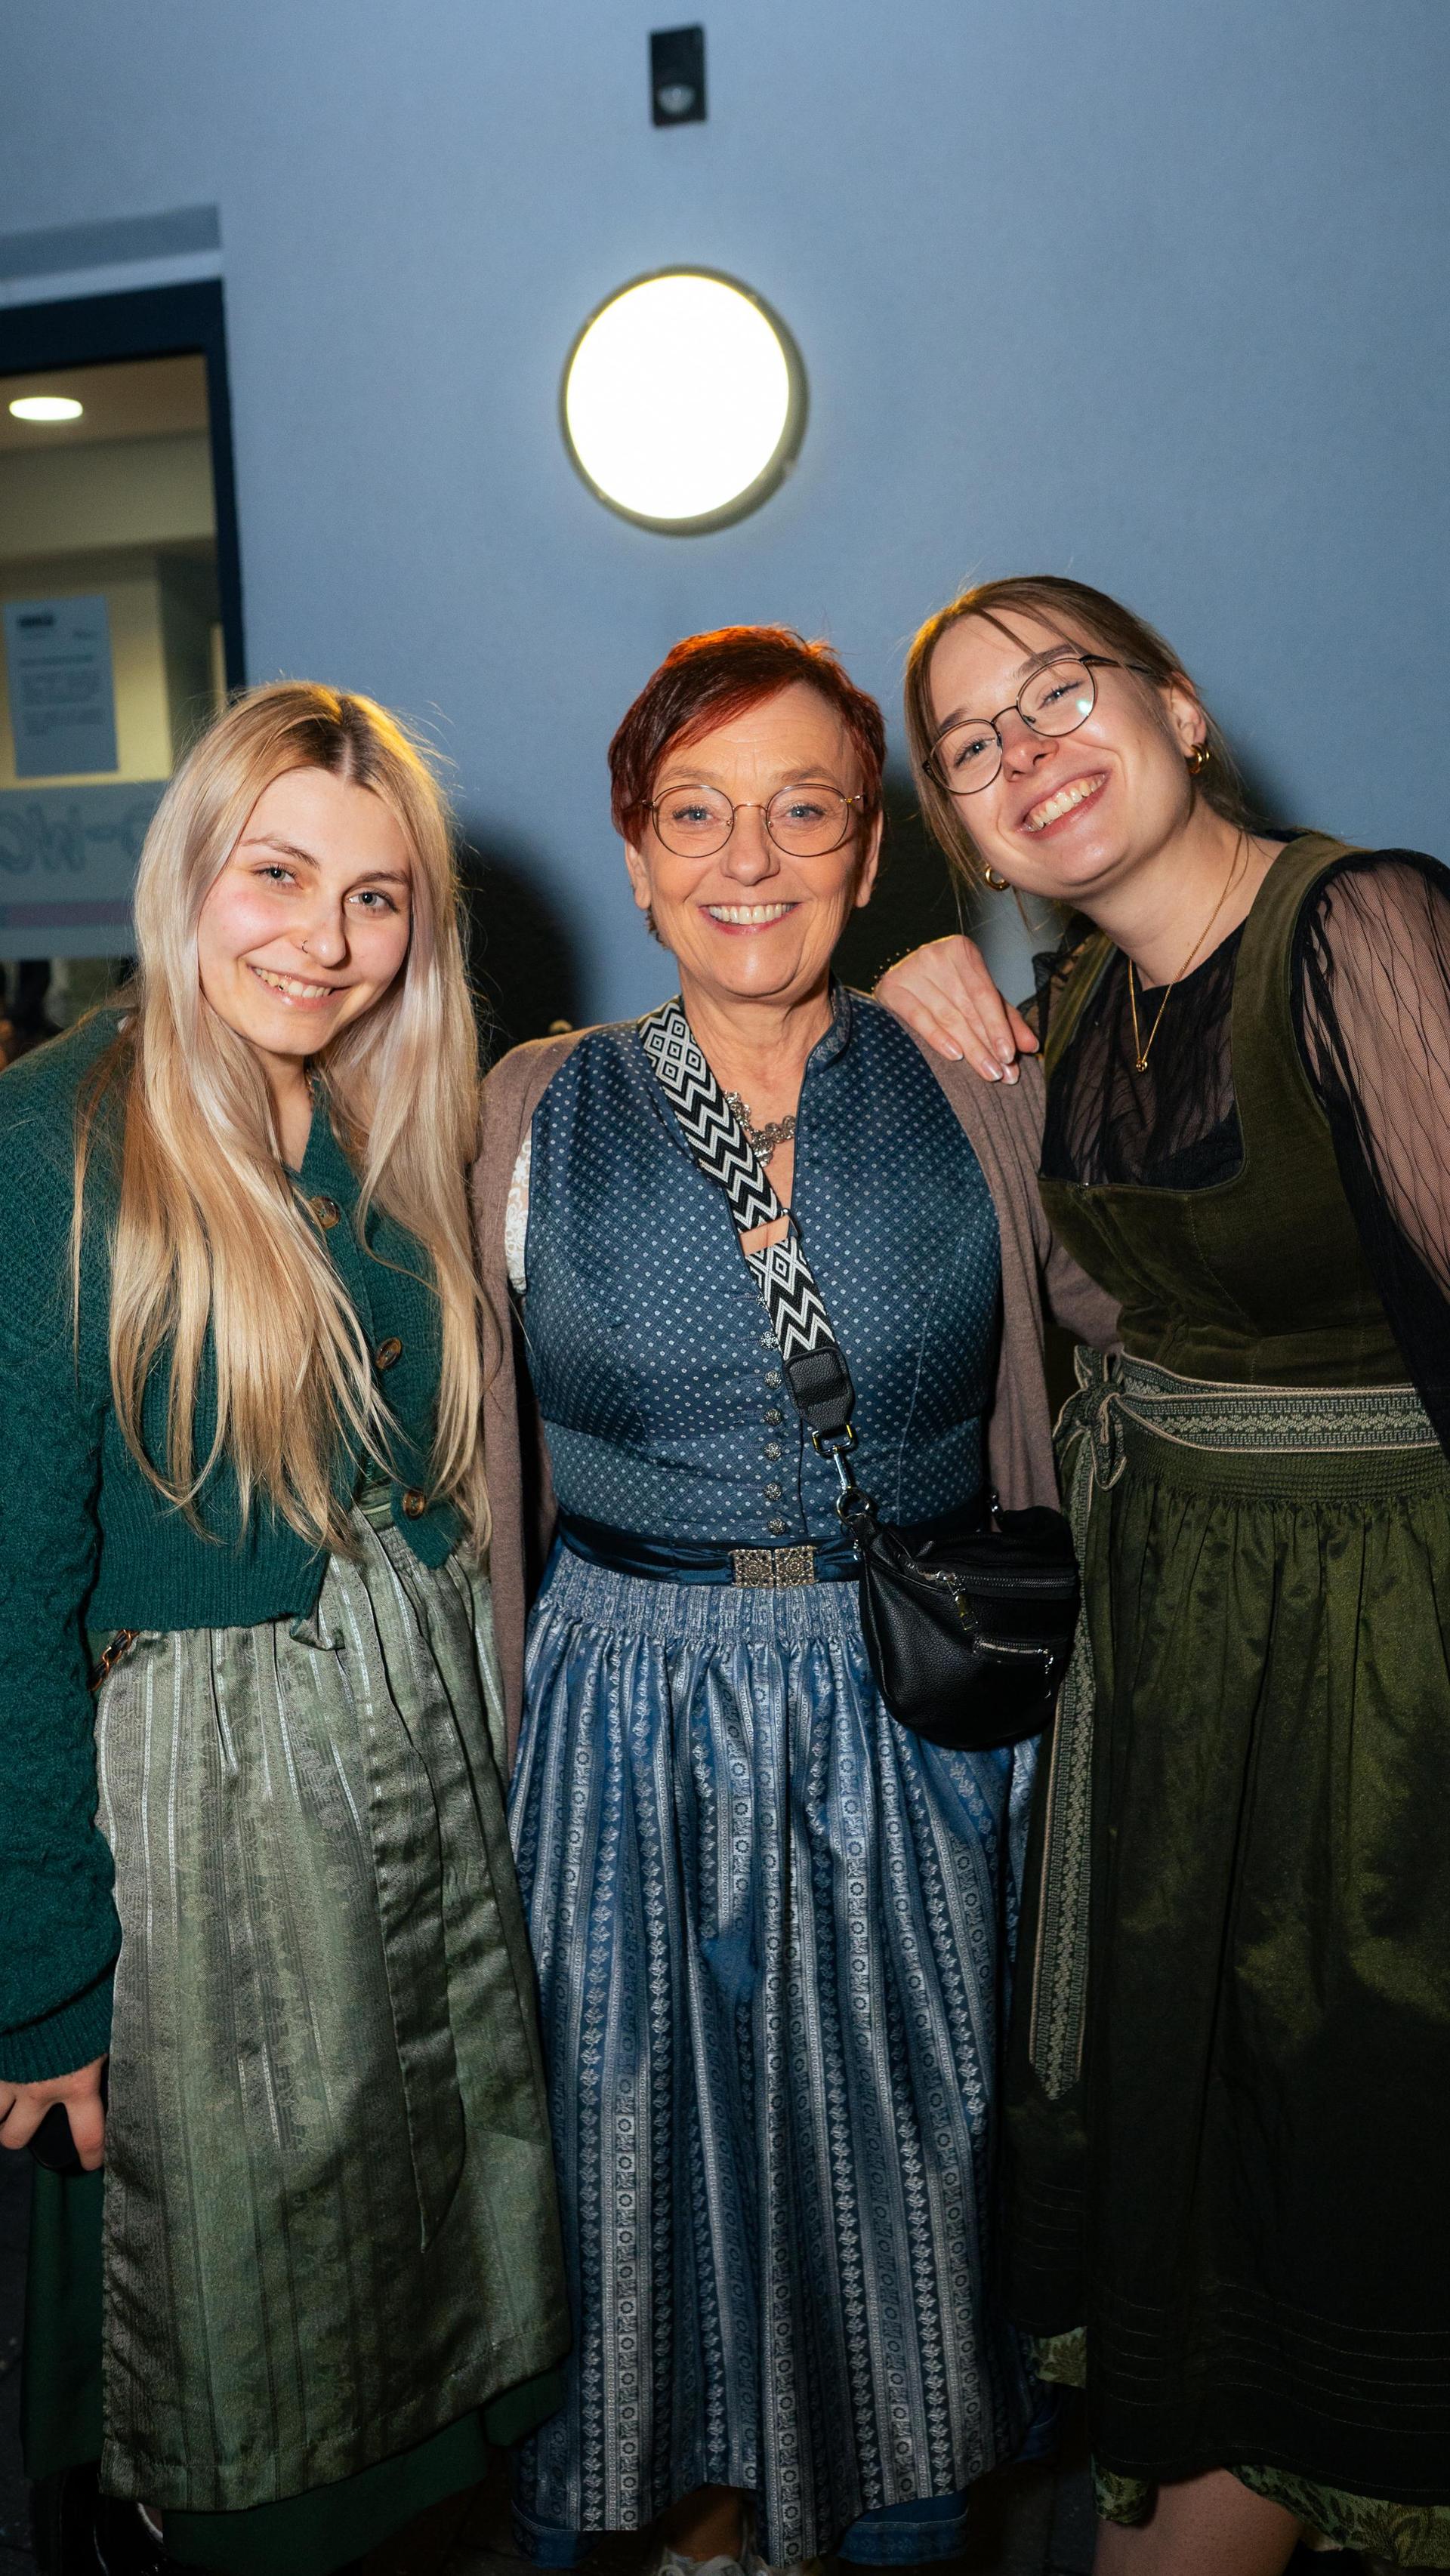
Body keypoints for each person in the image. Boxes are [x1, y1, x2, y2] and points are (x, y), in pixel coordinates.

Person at [473, 627, 1113, 2572]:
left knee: (914, 2198)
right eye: (696, 813)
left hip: (916, 1719)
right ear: (635, 852)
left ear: (870, 850)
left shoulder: (977, 1082)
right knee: (630, 2193)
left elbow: (1156, 1309)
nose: (748, 858)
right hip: (619, 1723)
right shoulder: (523, 1109)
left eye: (804, 809)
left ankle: (898, 2522)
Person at [876, 574, 1450, 2574]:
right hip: (1189, 1659)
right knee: (1227, 2202)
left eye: (1061, 692)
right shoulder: (1082, 1013)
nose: (1026, 749)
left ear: (1182, 709)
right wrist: (912, 990)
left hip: (1393, 1659)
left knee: (1371, 2150)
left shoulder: (1361, 924)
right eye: (972, 745)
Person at [0, 683, 569, 2575]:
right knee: (244, 2348)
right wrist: (41, 1977)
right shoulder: (56, 1137)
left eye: (376, 896)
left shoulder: (397, 1119)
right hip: (210, 1817)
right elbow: (7, 1596)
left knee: (431, 2295)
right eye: (277, 875)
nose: (324, 939)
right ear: (188, 874)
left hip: (422, 1772)